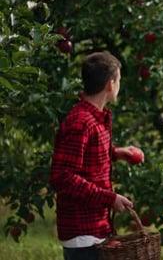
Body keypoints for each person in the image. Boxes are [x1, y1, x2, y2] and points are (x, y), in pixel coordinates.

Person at [50, 52, 145, 260]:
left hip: (95, 227)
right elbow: (63, 177)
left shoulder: (93, 119)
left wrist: (117, 153)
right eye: (119, 80)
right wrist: (109, 198)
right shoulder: (81, 122)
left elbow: (84, 156)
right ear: (111, 85)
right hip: (82, 229)